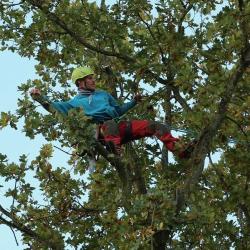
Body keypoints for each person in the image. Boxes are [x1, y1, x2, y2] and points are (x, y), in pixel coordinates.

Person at [30, 66, 194, 158]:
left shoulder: (103, 95)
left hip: (116, 128)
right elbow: (54, 108)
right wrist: (39, 98)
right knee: (108, 125)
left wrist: (133, 102)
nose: (94, 80)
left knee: (156, 126)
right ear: (80, 83)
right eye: (89, 78)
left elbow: (118, 111)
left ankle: (180, 150)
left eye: (93, 78)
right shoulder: (74, 103)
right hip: (99, 132)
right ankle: (114, 152)